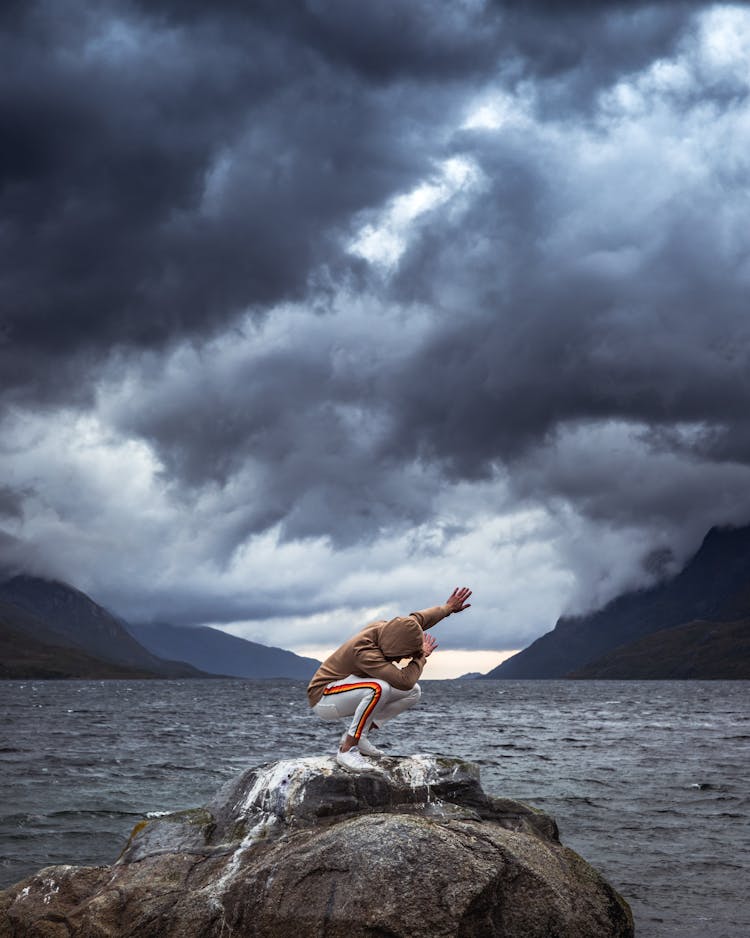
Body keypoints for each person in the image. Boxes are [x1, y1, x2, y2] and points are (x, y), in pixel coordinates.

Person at [307, 586, 472, 772]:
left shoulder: (390, 627)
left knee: (413, 692)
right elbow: (403, 680)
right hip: (323, 697)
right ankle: (347, 749)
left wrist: (448, 608)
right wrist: (421, 656)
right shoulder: (365, 652)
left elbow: (419, 618)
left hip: (346, 688)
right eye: (400, 657)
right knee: (378, 688)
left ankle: (358, 737)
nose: (401, 660)